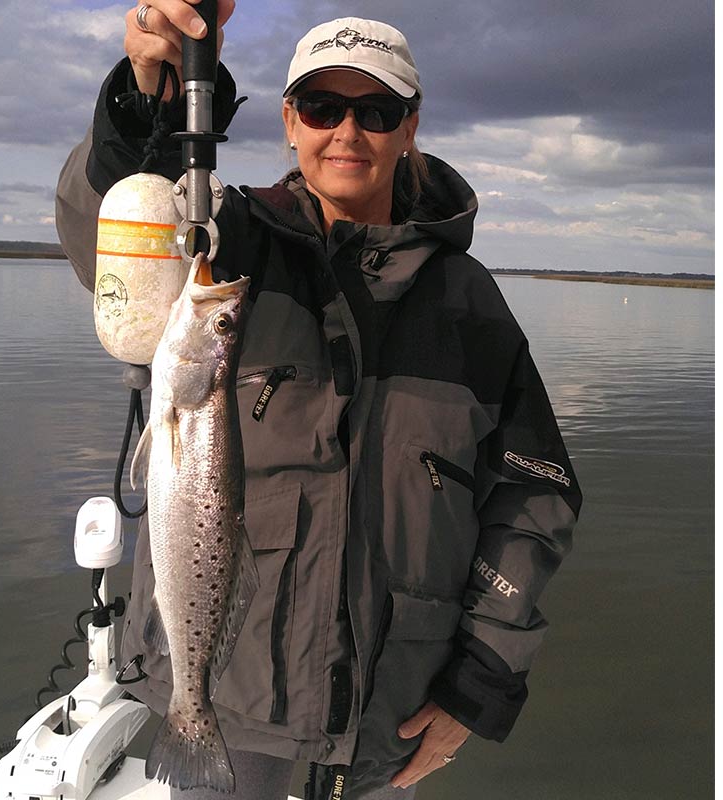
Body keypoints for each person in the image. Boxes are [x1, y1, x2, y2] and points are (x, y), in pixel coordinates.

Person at [56, 5, 582, 799]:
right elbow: (112, 226)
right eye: (322, 107)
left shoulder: (471, 308)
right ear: (288, 123)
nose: (347, 132)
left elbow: (536, 494)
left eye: (375, 112)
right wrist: (147, 102)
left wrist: (481, 682)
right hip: (232, 715)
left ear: (411, 128)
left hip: (389, 736)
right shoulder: (225, 245)